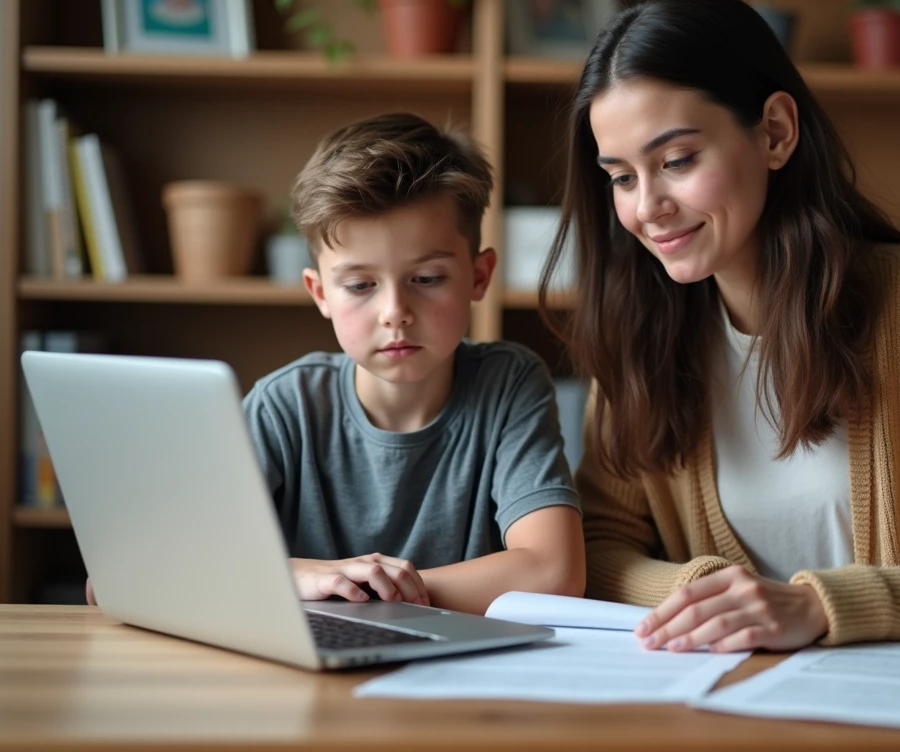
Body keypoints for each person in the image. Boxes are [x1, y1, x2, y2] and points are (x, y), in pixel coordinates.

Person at [541, 0, 900, 653]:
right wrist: (714, 597)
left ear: (776, 131)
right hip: (721, 707)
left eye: (677, 161)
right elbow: (596, 549)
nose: (647, 207)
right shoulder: (642, 331)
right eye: (622, 177)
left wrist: (819, 607)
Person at [85, 113, 584, 614]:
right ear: (320, 293)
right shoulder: (285, 405)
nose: (395, 313)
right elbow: (116, 579)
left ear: (479, 276)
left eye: (428, 278)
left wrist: (367, 587)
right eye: (361, 285)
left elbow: (554, 571)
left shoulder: (509, 384)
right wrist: (299, 576)